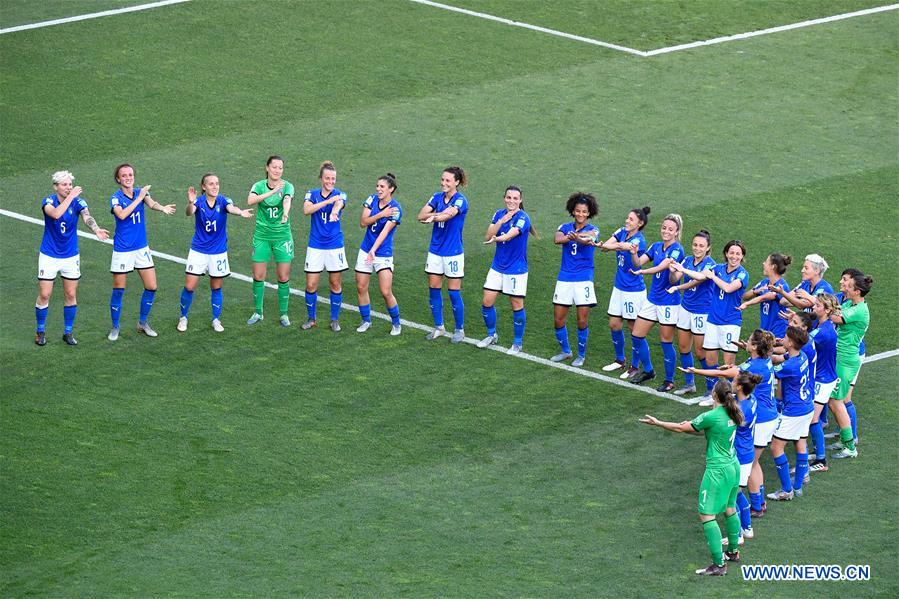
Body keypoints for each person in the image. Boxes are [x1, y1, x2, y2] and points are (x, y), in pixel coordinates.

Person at [640, 379, 744, 576]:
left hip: (717, 471)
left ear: (714, 395)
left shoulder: (711, 416)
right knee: (730, 508)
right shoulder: (733, 411)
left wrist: (658, 423)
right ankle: (733, 551)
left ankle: (719, 564)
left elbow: (683, 428)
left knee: (707, 515)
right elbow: (707, 432)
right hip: (733, 466)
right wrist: (689, 426)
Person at [681, 329, 776, 521]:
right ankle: (759, 502)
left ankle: (756, 506)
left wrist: (695, 371)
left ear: (755, 347)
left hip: (763, 419)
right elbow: (736, 369)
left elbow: (720, 373)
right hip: (768, 414)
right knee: (754, 463)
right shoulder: (763, 361)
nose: (746, 342)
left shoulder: (752, 369)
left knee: (750, 466)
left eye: (749, 341)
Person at [34, 170, 110, 346]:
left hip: (70, 255)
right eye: (64, 185)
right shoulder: (48, 202)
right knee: (45, 294)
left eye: (70, 184)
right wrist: (71, 197)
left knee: (70, 293)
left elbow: (87, 216)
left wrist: (96, 229)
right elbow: (56, 214)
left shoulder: (78, 202)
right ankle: (40, 331)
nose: (68, 187)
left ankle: (68, 332)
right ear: (56, 187)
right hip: (49, 255)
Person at [672, 240, 749, 405]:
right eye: (731, 253)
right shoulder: (718, 268)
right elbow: (700, 276)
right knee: (711, 360)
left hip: (730, 323)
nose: (734, 256)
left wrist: (712, 276)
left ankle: (730, 397)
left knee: (728, 365)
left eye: (738, 253)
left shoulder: (743, 274)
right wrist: (682, 269)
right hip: (713, 320)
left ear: (742, 256)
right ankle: (712, 393)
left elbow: (729, 288)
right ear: (726, 254)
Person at [107, 163, 176, 340]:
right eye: (124, 175)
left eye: (130, 174)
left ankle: (142, 323)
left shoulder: (140, 192)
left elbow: (151, 203)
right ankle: (115, 327)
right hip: (123, 249)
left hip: (141, 248)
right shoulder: (115, 198)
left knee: (152, 286)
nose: (128, 178)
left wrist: (162, 208)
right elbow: (121, 215)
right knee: (119, 289)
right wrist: (139, 198)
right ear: (118, 179)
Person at [177, 174, 252, 333]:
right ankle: (183, 317)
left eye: (217, 183)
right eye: (211, 184)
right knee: (189, 286)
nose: (215, 186)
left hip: (218, 252)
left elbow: (231, 208)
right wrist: (190, 202)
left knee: (216, 287)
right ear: (204, 187)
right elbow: (189, 212)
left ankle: (216, 319)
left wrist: (240, 212)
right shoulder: (198, 202)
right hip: (198, 250)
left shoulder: (223, 200)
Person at [627, 214, 685, 390]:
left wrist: (643, 272)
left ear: (676, 232)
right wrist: (634, 254)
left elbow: (662, 266)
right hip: (653, 299)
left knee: (666, 341)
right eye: (664, 228)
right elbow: (638, 263)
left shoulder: (677, 250)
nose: (666, 231)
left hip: (669, 301)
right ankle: (649, 370)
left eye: (670, 229)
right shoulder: (655, 246)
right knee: (637, 335)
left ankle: (669, 380)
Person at [476, 186, 534, 354]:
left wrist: (496, 239)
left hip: (516, 269)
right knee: (487, 302)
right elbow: (488, 235)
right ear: (504, 198)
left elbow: (510, 235)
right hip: (497, 266)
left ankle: (517, 343)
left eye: (515, 198)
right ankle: (491, 335)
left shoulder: (523, 218)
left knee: (516, 305)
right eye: (509, 197)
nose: (511, 201)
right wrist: (501, 222)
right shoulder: (498, 214)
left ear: (520, 200)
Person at [418, 166, 469, 343]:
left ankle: (459, 330)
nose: (444, 183)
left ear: (456, 182)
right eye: (442, 179)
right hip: (435, 251)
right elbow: (420, 215)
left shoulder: (461, 200)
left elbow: (448, 215)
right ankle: (439, 327)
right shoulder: (436, 197)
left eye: (448, 180)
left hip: (453, 253)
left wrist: (433, 216)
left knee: (454, 292)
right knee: (434, 288)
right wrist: (435, 215)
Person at [598, 207, 651, 376]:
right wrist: (604, 245)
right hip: (619, 287)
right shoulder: (622, 231)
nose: (627, 221)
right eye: (627, 218)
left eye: (631, 219)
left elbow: (621, 246)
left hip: (633, 291)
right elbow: (605, 247)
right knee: (614, 323)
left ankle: (635, 366)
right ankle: (620, 360)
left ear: (640, 223)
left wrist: (609, 245)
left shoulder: (639, 240)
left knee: (634, 329)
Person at [549, 193, 600, 367]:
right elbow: (557, 239)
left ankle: (581, 355)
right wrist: (575, 236)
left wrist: (577, 237)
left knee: (582, 320)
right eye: (578, 211)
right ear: (573, 211)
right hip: (565, 277)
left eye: (584, 212)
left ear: (589, 213)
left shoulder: (594, 229)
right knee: (558, 319)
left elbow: (590, 239)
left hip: (584, 278)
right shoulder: (564, 227)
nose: (580, 214)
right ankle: (566, 351)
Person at [826, 270, 872, 459]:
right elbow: (837, 310)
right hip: (839, 357)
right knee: (834, 401)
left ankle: (850, 446)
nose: (846, 287)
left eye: (849, 286)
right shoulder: (850, 303)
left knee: (837, 401)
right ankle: (845, 440)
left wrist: (824, 308)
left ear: (857, 291)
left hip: (846, 360)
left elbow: (836, 317)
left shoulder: (859, 310)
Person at [246, 155, 295, 327]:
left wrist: (285, 213)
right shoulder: (259, 186)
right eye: (274, 167)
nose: (277, 170)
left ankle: (283, 314)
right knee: (258, 275)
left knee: (283, 276)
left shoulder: (287, 186)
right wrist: (273, 192)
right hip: (262, 236)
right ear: (267, 168)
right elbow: (250, 200)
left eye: (280, 168)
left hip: (282, 237)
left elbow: (287, 199)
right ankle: (258, 312)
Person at [766, 326, 813, 501]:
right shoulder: (802, 356)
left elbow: (767, 373)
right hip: (807, 407)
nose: (783, 339)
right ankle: (798, 486)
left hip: (794, 411)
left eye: (785, 338)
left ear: (791, 343)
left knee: (776, 447)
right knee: (800, 444)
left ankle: (786, 490)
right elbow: (779, 359)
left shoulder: (789, 366)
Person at [301, 161, 348, 331]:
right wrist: (326, 203)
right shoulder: (312, 194)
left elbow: (339, 204)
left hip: (334, 245)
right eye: (327, 178)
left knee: (335, 283)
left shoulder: (340, 195)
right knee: (311, 285)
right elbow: (306, 210)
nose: (330, 181)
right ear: (321, 178)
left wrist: (334, 210)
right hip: (315, 245)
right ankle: (311, 318)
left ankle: (334, 319)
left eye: (333, 178)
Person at [668, 230, 716, 396]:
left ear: (708, 248)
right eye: (695, 245)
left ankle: (712, 387)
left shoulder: (711, 264)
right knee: (683, 347)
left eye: (701, 246)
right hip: (685, 308)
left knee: (701, 352)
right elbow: (674, 280)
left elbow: (700, 277)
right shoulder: (687, 260)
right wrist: (673, 271)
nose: (697, 248)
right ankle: (690, 383)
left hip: (701, 312)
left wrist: (682, 269)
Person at [354, 173, 403, 336]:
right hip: (365, 249)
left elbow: (385, 232)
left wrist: (373, 250)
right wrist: (381, 214)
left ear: (391, 189)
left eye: (382, 187)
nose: (378, 189)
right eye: (377, 186)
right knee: (361, 287)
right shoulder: (371, 200)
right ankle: (366, 320)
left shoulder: (396, 209)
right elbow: (363, 222)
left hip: (382, 253)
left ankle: (396, 323)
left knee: (385, 291)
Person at [806, 294, 839, 473]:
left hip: (823, 380)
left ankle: (821, 459)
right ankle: (818, 451)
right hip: (823, 376)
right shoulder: (823, 325)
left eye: (818, 305)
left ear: (827, 310)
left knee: (813, 418)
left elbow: (802, 343)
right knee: (813, 418)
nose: (814, 306)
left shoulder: (822, 332)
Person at [738, 253, 792, 338]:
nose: (763, 263)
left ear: (772, 266)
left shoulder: (782, 286)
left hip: (779, 330)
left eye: (766, 262)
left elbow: (764, 297)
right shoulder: (764, 282)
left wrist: (747, 304)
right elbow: (744, 297)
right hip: (765, 330)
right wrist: (755, 292)